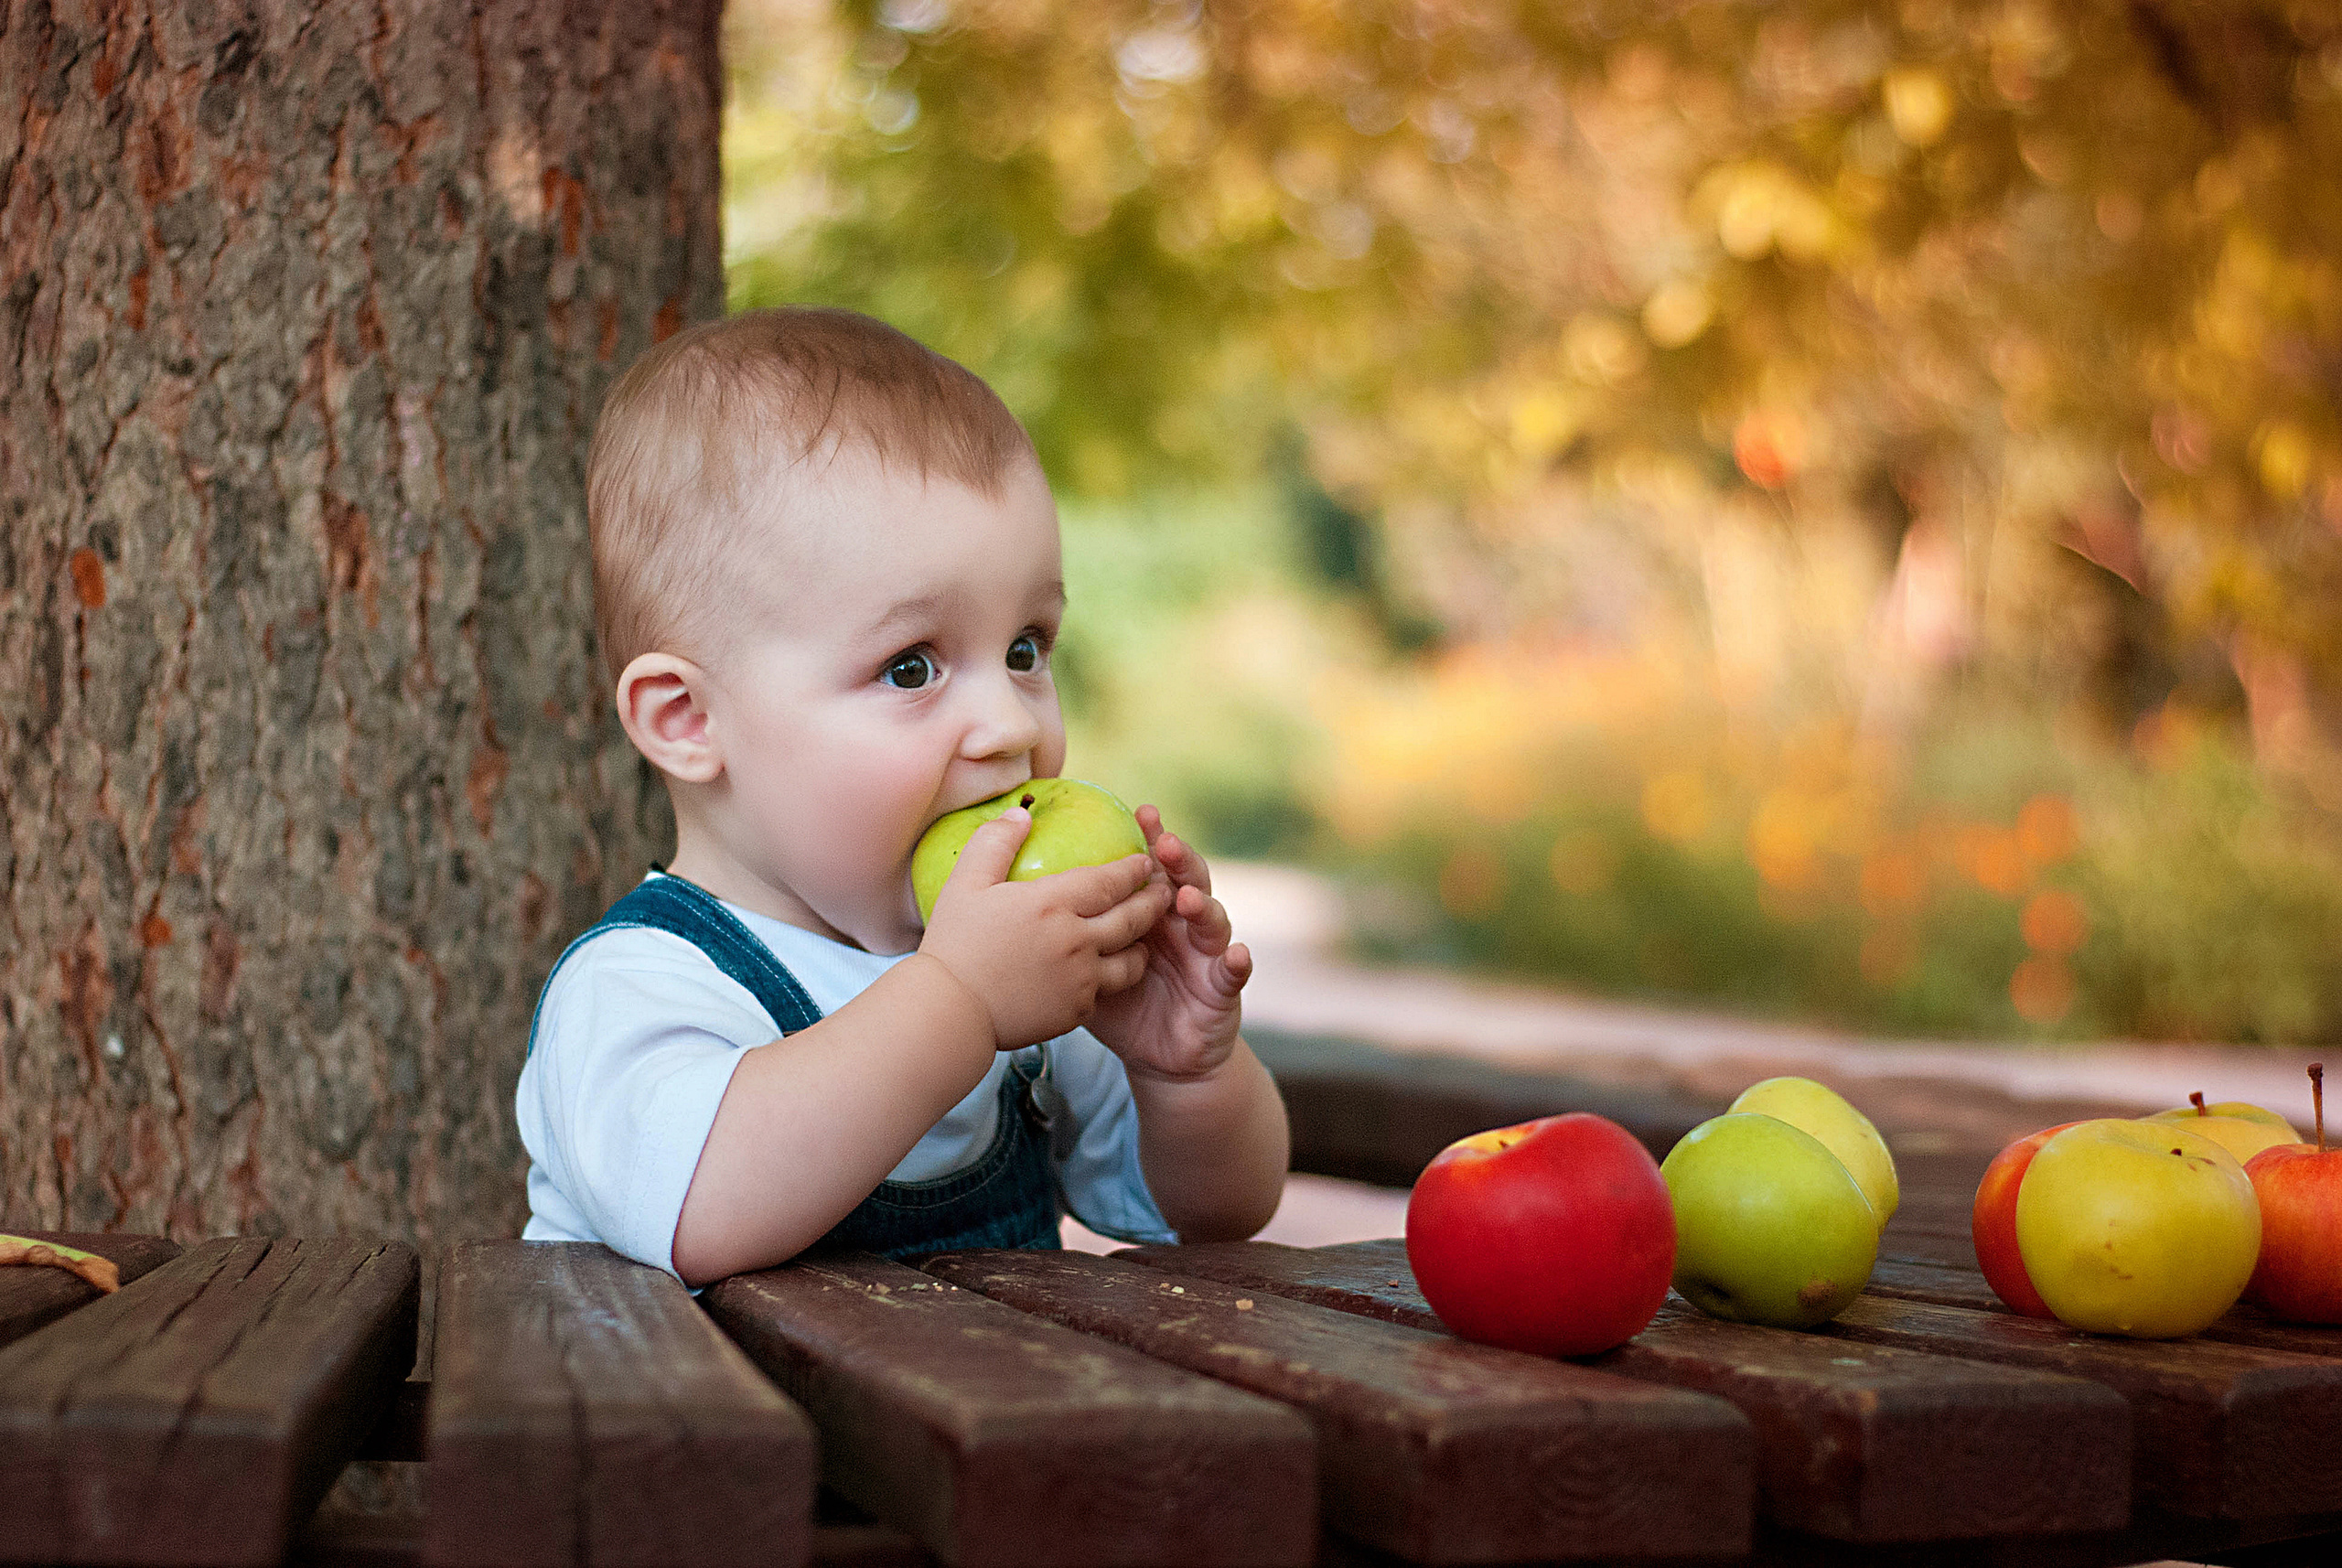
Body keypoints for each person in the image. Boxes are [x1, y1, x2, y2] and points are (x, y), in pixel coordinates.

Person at [515, 306, 1291, 1285]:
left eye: (1025, 651)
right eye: (911, 666)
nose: (1009, 725)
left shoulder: (1022, 972)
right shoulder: (644, 985)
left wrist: (1187, 1073)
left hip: (964, 1430)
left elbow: (1217, 1217)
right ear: (688, 720)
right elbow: (703, 1213)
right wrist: (961, 998)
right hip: (693, 1435)